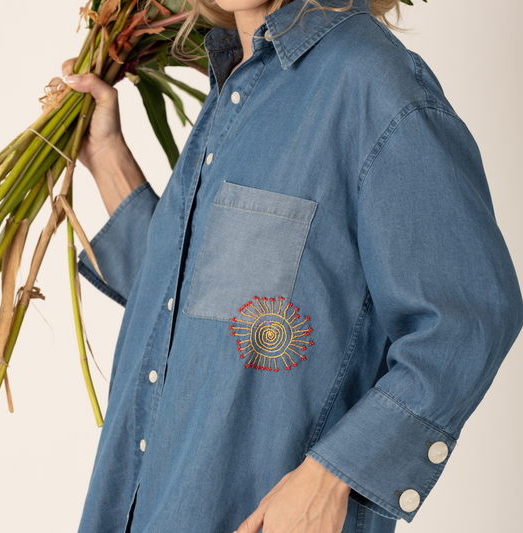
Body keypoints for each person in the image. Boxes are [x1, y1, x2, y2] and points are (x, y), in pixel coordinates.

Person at [60, 0, 522, 531]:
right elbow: (197, 305)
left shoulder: (371, 81)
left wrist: (332, 474)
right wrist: (107, 156)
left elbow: (469, 317)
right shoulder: (236, 81)